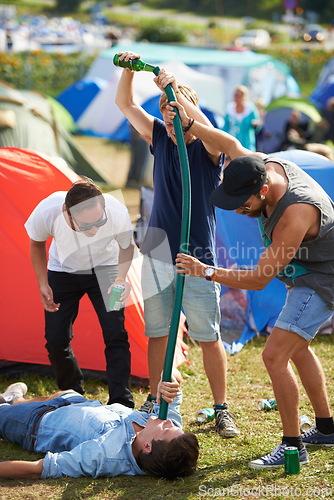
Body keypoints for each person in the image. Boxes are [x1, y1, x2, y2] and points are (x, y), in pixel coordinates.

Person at [167, 100, 334, 469]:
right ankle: (325, 428)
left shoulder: (295, 214)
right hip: (306, 273)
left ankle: (293, 447)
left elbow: (259, 280)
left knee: (274, 355)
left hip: (324, 279)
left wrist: (205, 270)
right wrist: (190, 121)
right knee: (299, 348)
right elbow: (227, 143)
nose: (237, 210)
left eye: (240, 204)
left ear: (261, 192)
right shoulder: (257, 164)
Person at [115, 51, 239, 438]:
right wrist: (127, 71)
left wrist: (177, 97)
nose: (168, 125)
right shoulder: (159, 137)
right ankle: (156, 397)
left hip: (196, 253)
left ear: (186, 113)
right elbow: (125, 104)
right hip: (156, 248)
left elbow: (207, 130)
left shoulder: (206, 147)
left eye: (174, 117)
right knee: (158, 332)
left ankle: (221, 409)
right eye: (165, 116)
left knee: (207, 336)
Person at [24, 177, 136, 408]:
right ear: (67, 212)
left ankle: (121, 401)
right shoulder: (49, 209)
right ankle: (72, 393)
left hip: (106, 269)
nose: (94, 230)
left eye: (99, 222)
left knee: (116, 332)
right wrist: (42, 283)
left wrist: (121, 279)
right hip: (63, 270)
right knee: (56, 339)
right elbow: (36, 243)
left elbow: (126, 247)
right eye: (86, 225)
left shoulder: (116, 210)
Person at [0, 371, 199, 479]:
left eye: (167, 428)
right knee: (63, 393)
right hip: (76, 403)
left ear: (148, 447)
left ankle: (9, 405)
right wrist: (168, 381)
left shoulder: (104, 456)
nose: (169, 421)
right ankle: (15, 399)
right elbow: (174, 378)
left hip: (34, 423)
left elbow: (40, 468)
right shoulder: (168, 432)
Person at [223, 85, 259, 151]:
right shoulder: (229, 109)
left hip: (247, 144)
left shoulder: (250, 109)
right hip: (232, 144)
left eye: (238, 95)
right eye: (235, 95)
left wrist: (255, 125)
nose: (236, 97)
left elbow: (257, 128)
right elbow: (225, 127)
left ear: (244, 96)